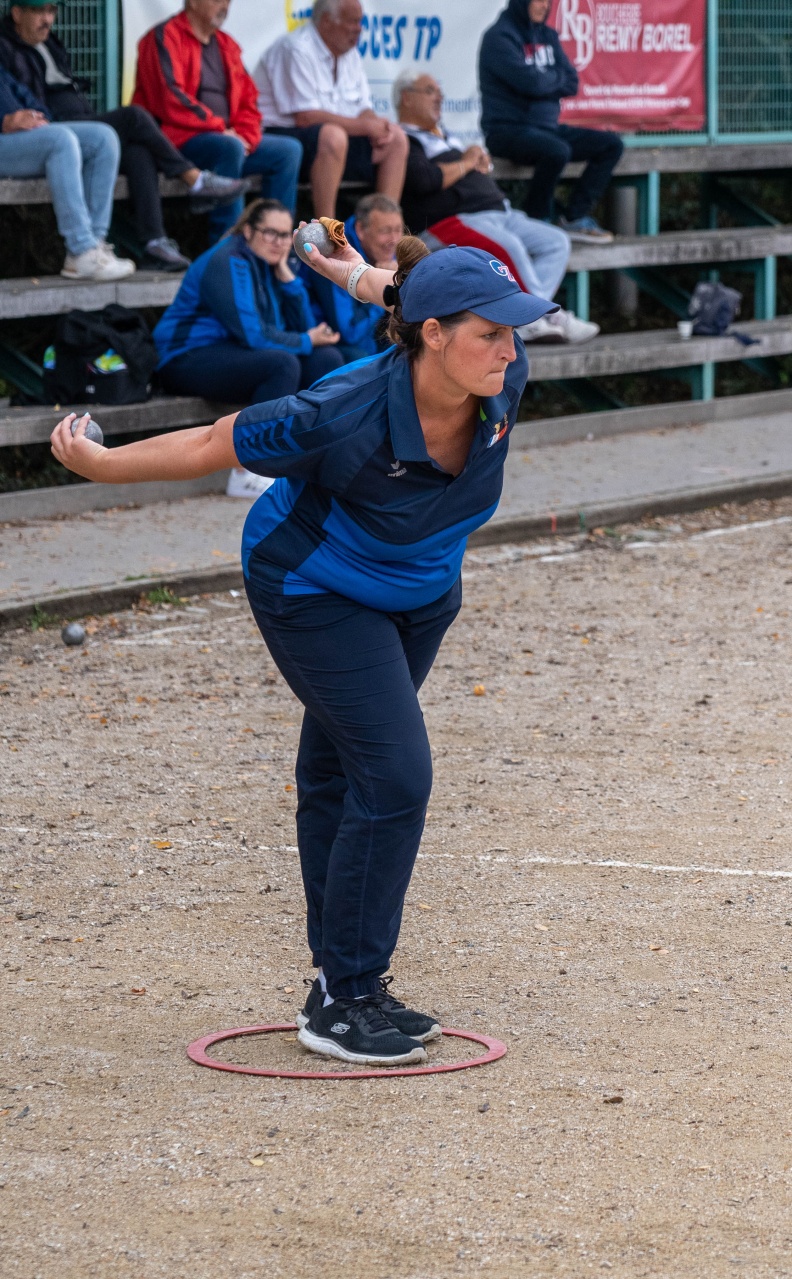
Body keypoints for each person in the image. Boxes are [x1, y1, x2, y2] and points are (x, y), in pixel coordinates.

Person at [50, 231, 558, 1066]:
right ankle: (347, 997)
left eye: (514, 331)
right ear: (435, 337)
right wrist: (101, 464)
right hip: (314, 588)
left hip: (422, 595)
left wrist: (352, 274)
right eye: (492, 332)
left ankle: (341, 984)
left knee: (344, 773)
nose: (511, 348)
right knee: (395, 775)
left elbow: (405, 293)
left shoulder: (496, 375)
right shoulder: (340, 411)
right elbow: (213, 442)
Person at [0, 0, 247, 271]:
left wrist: (245, 134)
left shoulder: (50, 43)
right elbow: (19, 97)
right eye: (38, 11)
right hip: (53, 130)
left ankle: (146, 244)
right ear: (17, 13)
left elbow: (249, 100)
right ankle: (193, 178)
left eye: (51, 11)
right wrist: (11, 118)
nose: (47, 19)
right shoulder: (7, 46)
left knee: (137, 151)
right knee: (134, 118)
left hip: (77, 125)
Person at [154, 198, 344, 499]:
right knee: (282, 364)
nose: (279, 242)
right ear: (248, 231)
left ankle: (316, 459)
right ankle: (250, 471)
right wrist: (306, 340)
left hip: (234, 352)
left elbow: (302, 326)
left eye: (285, 235)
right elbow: (254, 335)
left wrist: (289, 280)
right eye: (270, 233)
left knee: (327, 359)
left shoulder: (269, 262)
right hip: (186, 358)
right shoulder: (229, 259)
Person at [395, 69, 597, 344]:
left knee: (556, 241)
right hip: (452, 220)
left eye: (440, 92)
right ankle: (539, 315)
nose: (439, 98)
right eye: (430, 91)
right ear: (406, 98)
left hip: (500, 212)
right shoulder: (403, 138)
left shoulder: (447, 137)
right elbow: (423, 180)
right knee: (509, 247)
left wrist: (475, 158)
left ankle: (527, 316)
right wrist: (467, 162)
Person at [133, 0, 303, 244]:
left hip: (227, 138)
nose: (224, 5)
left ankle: (278, 243)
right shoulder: (164, 37)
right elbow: (169, 99)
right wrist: (222, 130)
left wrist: (246, 137)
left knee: (288, 151)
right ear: (193, 2)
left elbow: (249, 100)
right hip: (176, 142)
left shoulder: (227, 44)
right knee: (229, 148)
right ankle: (228, 248)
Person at [479, 0, 623, 244]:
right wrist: (551, 80)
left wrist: (542, 80)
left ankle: (573, 217)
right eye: (538, 0)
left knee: (611, 145)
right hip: (506, 130)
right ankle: (536, 221)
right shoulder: (499, 37)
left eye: (548, 1)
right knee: (556, 151)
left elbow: (572, 82)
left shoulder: (548, 35)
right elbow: (531, 83)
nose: (544, 6)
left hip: (547, 129)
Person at [254, 0, 407, 219]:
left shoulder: (350, 54)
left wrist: (378, 127)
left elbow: (363, 107)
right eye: (352, 22)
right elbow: (305, 117)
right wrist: (366, 126)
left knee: (396, 138)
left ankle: (385, 226)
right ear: (326, 21)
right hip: (284, 137)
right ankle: (328, 227)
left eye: (360, 22)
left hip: (333, 139)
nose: (358, 29)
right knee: (333, 136)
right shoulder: (296, 48)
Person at [0, 64, 134, 280]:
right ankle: (81, 248)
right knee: (60, 140)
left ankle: (94, 247)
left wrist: (38, 117)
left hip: (19, 137)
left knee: (103, 138)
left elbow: (20, 92)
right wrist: (4, 121)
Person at [305, 193, 402, 361]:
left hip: (366, 340)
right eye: (385, 231)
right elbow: (350, 332)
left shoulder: (388, 255)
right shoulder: (336, 253)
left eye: (398, 230)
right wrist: (383, 288)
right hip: (326, 344)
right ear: (360, 230)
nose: (393, 240)